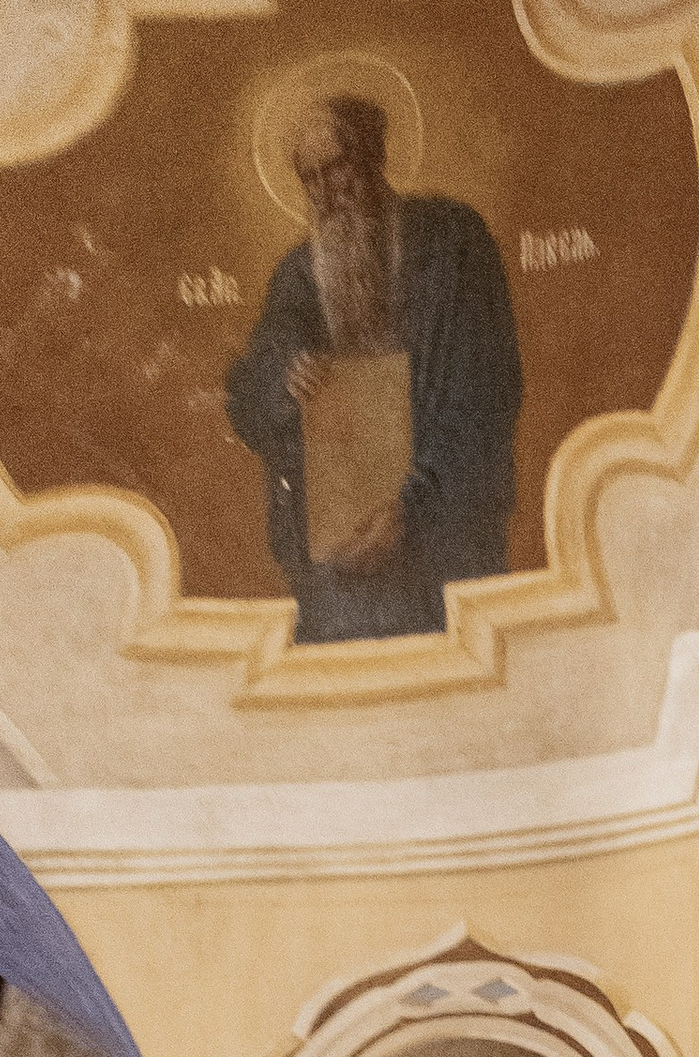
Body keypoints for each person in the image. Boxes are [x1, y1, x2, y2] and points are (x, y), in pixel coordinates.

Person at [224, 91, 523, 643]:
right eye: (309, 178)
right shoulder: (297, 274)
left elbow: (485, 388)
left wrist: (410, 507)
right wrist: (287, 377)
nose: (325, 191)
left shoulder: (451, 240)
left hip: (445, 536)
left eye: (335, 167)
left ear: (371, 156)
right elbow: (249, 392)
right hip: (344, 562)